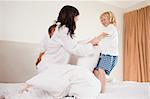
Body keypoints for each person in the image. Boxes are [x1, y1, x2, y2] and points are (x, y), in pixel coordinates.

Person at [22, 5, 102, 99]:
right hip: (52, 68)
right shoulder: (64, 30)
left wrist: (88, 43)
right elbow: (75, 49)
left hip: (46, 65)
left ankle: (32, 88)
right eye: (76, 18)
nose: (77, 21)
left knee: (57, 89)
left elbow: (45, 46)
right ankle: (30, 87)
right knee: (77, 76)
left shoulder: (55, 28)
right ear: (71, 17)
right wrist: (91, 45)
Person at [93, 11, 118, 93]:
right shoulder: (109, 29)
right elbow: (104, 41)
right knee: (96, 71)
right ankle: (102, 83)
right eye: (101, 20)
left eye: (104, 19)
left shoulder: (111, 27)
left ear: (110, 19)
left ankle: (102, 90)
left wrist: (89, 43)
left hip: (109, 55)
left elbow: (100, 37)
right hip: (105, 54)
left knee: (101, 69)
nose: (102, 21)